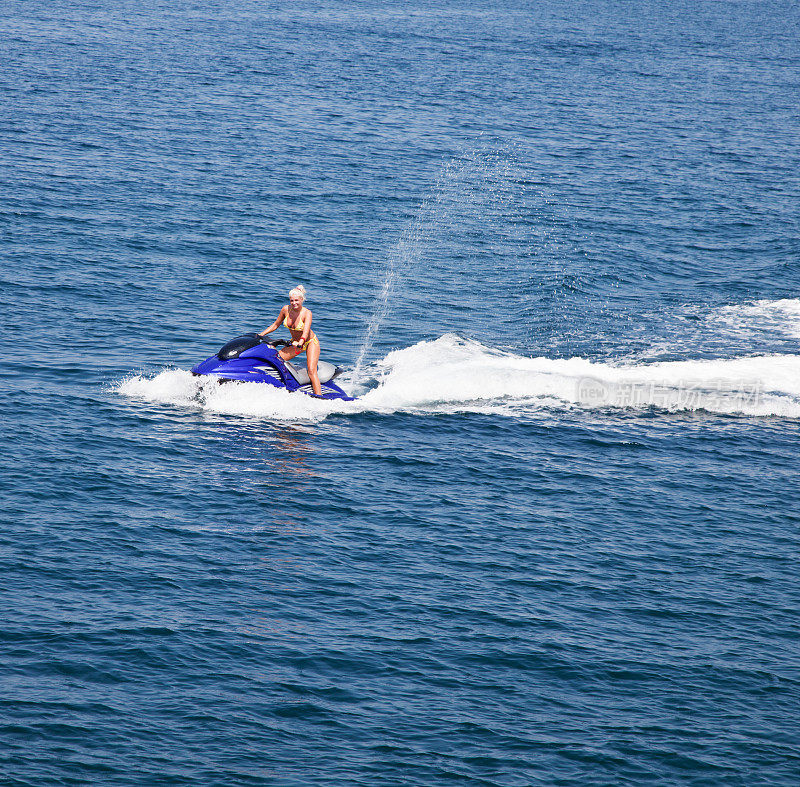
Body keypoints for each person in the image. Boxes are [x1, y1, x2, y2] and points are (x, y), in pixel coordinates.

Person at [258, 285, 322, 396]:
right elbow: (275, 325)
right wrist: (260, 334)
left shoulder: (307, 313)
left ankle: (319, 397)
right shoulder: (285, 309)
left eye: (296, 300)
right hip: (295, 343)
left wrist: (301, 342)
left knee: (311, 371)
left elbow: (306, 332)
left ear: (302, 300)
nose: (294, 303)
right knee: (276, 360)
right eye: (291, 300)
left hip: (309, 342)